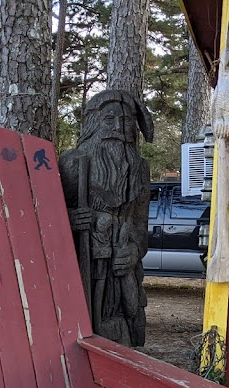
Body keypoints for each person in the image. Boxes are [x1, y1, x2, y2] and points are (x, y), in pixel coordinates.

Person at [59, 90, 154, 351]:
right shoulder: (73, 163)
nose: (118, 128)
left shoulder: (140, 169)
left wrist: (134, 251)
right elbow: (45, 218)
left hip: (122, 277)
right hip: (83, 271)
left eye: (125, 121)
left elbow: (139, 225)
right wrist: (70, 219)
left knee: (121, 341)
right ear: (93, 123)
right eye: (109, 120)